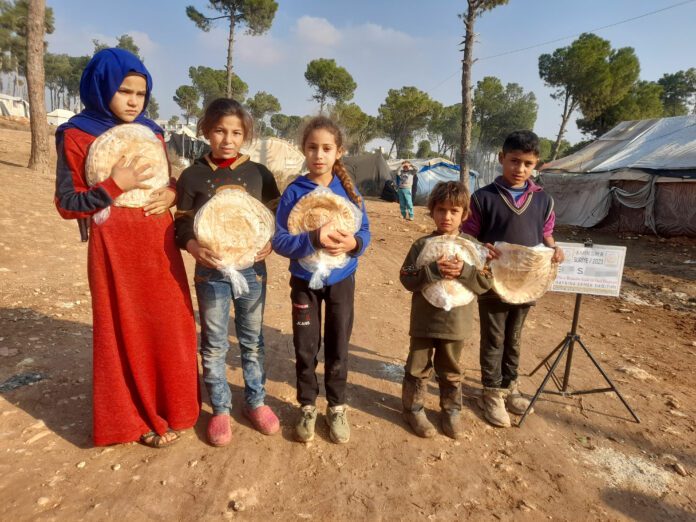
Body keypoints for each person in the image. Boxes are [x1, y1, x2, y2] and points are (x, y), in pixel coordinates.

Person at [54, 48, 200, 448]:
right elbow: (68, 203)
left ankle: (179, 408)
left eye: (141, 92)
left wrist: (171, 195)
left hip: (158, 242)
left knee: (172, 325)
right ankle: (133, 419)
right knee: (125, 331)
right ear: (101, 87)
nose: (134, 101)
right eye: (124, 91)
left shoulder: (151, 131)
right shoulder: (76, 133)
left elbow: (166, 182)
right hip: (113, 249)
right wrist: (114, 184)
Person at [175, 98, 281, 446]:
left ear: (245, 135)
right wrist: (193, 247)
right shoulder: (193, 175)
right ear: (206, 130)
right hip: (211, 273)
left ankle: (256, 402)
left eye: (236, 132)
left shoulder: (259, 174)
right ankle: (220, 409)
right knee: (215, 343)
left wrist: (270, 242)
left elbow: (273, 219)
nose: (228, 139)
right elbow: (181, 226)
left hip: (253, 272)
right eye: (220, 130)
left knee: (252, 341)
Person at [272, 116, 371, 444]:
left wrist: (353, 244)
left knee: (339, 343)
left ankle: (338, 406)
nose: (318, 154)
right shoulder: (294, 191)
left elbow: (365, 233)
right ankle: (307, 405)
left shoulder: (350, 191)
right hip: (304, 279)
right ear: (304, 149)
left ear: (339, 151)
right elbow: (280, 240)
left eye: (326, 148)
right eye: (312, 147)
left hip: (341, 278)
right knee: (306, 345)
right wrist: (313, 238)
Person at [461, 130, 565, 428]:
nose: (520, 169)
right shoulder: (483, 198)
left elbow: (547, 236)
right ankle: (490, 392)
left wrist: (555, 250)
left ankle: (510, 386)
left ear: (537, 165)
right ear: (501, 159)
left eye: (528, 163)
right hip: (493, 279)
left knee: (514, 337)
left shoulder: (544, 201)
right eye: (514, 161)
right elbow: (467, 236)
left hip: (527, 280)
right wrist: (481, 249)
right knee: (494, 336)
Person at [399, 181, 492, 439]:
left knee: (450, 367)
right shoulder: (421, 246)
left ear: (465, 214)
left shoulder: (473, 248)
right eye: (441, 210)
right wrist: (433, 270)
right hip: (424, 321)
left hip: (456, 323)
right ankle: (413, 409)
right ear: (432, 211)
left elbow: (486, 281)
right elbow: (406, 277)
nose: (447, 216)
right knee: (418, 365)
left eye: (454, 211)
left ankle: (451, 411)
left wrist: (465, 270)